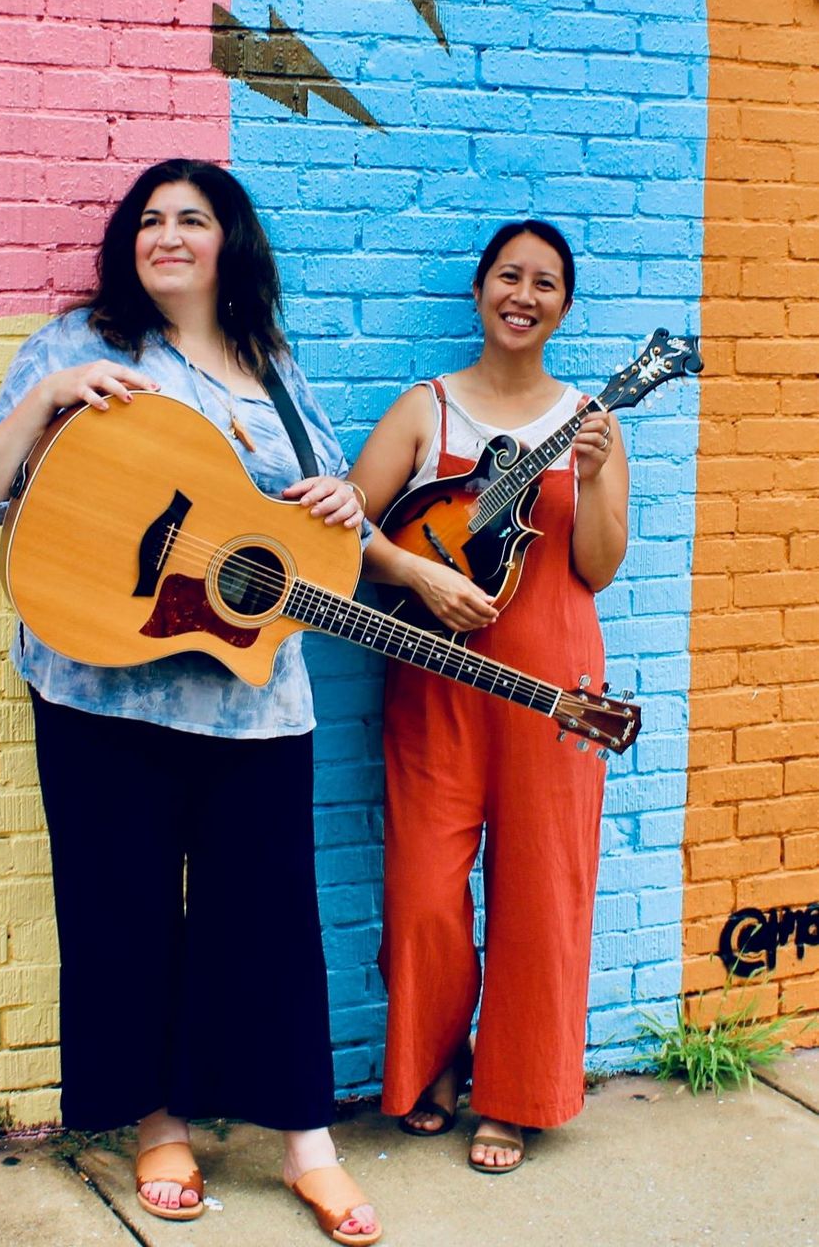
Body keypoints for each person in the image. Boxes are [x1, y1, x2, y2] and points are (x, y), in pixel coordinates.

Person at [0, 159, 381, 1244]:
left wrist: (341, 503)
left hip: (255, 702)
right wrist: (47, 400)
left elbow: (317, 523)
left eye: (192, 218)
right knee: (124, 916)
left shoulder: (274, 365)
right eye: (149, 219)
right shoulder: (77, 345)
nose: (168, 235)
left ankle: (307, 1144)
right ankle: (159, 1125)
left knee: (271, 924)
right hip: (99, 693)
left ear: (230, 241)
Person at [352, 219, 629, 1175]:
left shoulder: (592, 422)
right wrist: (419, 575)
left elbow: (598, 567)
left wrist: (592, 478)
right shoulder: (425, 410)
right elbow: (348, 529)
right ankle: (434, 1066)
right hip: (435, 681)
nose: (524, 295)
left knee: (543, 892)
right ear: (479, 292)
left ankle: (516, 1096)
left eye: (545, 282)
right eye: (509, 276)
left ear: (564, 306)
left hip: (554, 687)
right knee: (424, 892)